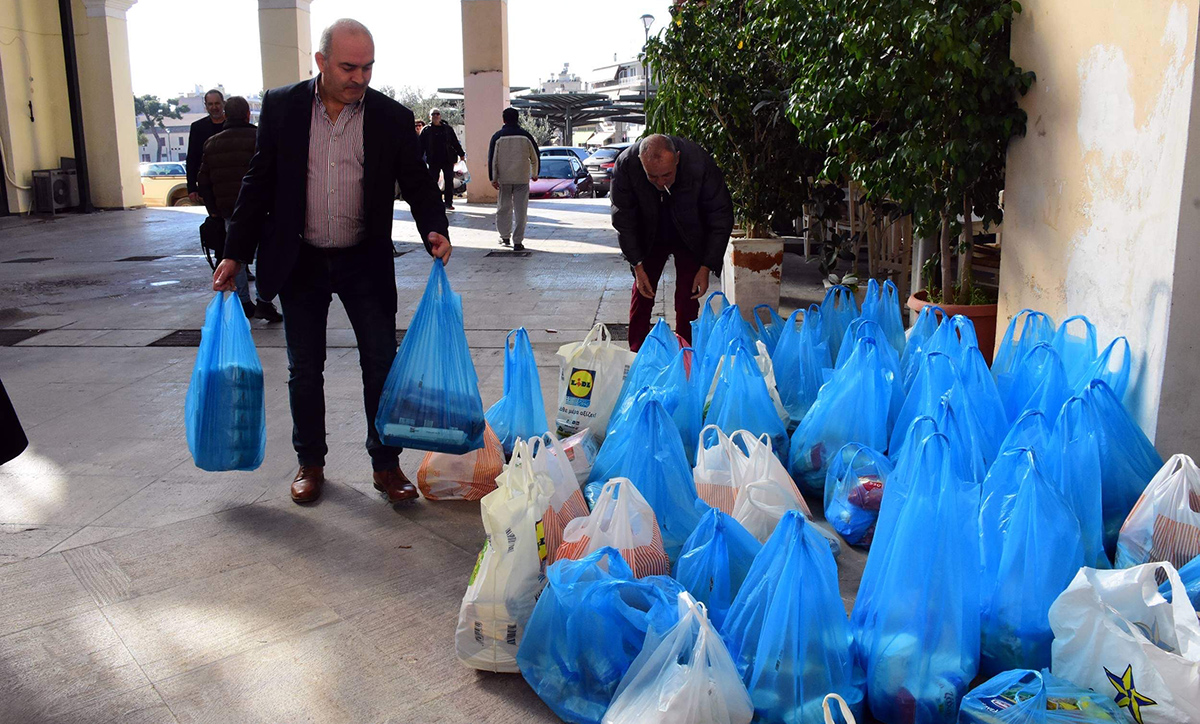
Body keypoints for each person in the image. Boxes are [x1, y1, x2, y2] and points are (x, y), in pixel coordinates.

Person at [213, 18, 452, 506]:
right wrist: (235, 253)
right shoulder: (282, 108)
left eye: (367, 67)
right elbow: (257, 185)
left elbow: (418, 179)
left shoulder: (390, 116)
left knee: (381, 364)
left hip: (363, 260)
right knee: (305, 367)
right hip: (300, 259)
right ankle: (311, 463)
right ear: (321, 62)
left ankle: (386, 465)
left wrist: (436, 225)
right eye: (348, 67)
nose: (359, 77)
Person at [609, 134, 734, 351]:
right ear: (641, 162)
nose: (661, 182)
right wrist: (637, 266)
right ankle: (637, 353)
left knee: (688, 296)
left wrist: (706, 266)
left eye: (666, 175)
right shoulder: (627, 164)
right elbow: (623, 220)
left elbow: (720, 216)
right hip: (649, 233)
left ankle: (686, 351)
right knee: (642, 293)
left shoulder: (699, 162)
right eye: (652, 177)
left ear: (677, 158)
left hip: (690, 234)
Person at [196, 96, 282, 323]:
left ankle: (243, 301)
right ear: (247, 115)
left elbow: (203, 180)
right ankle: (264, 300)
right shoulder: (260, 139)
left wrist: (213, 209)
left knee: (236, 255)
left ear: (226, 114)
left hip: (229, 210)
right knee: (266, 254)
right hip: (262, 208)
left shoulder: (212, 143)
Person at [487, 107, 539, 251]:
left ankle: (504, 236)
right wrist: (534, 173)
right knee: (521, 210)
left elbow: (493, 159)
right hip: (521, 178)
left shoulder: (498, 137)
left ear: (503, 119)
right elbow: (535, 156)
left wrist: (493, 178)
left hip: (504, 179)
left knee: (504, 208)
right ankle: (518, 241)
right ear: (517, 119)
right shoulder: (526, 136)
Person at [419, 108, 465, 210]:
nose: (435, 116)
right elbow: (420, 146)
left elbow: (455, 142)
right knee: (433, 182)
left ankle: (448, 203)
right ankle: (435, 202)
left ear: (440, 116)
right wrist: (418, 159)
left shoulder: (448, 129)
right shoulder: (426, 130)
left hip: (447, 159)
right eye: (433, 114)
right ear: (429, 117)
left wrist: (461, 154)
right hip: (433, 160)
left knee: (449, 181)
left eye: (437, 114)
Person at [186, 89, 226, 204]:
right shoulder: (197, 128)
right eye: (210, 104)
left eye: (217, 103)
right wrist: (192, 188)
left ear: (223, 103)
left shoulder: (233, 125)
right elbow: (192, 159)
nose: (214, 107)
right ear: (206, 106)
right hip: (207, 185)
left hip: (230, 184)